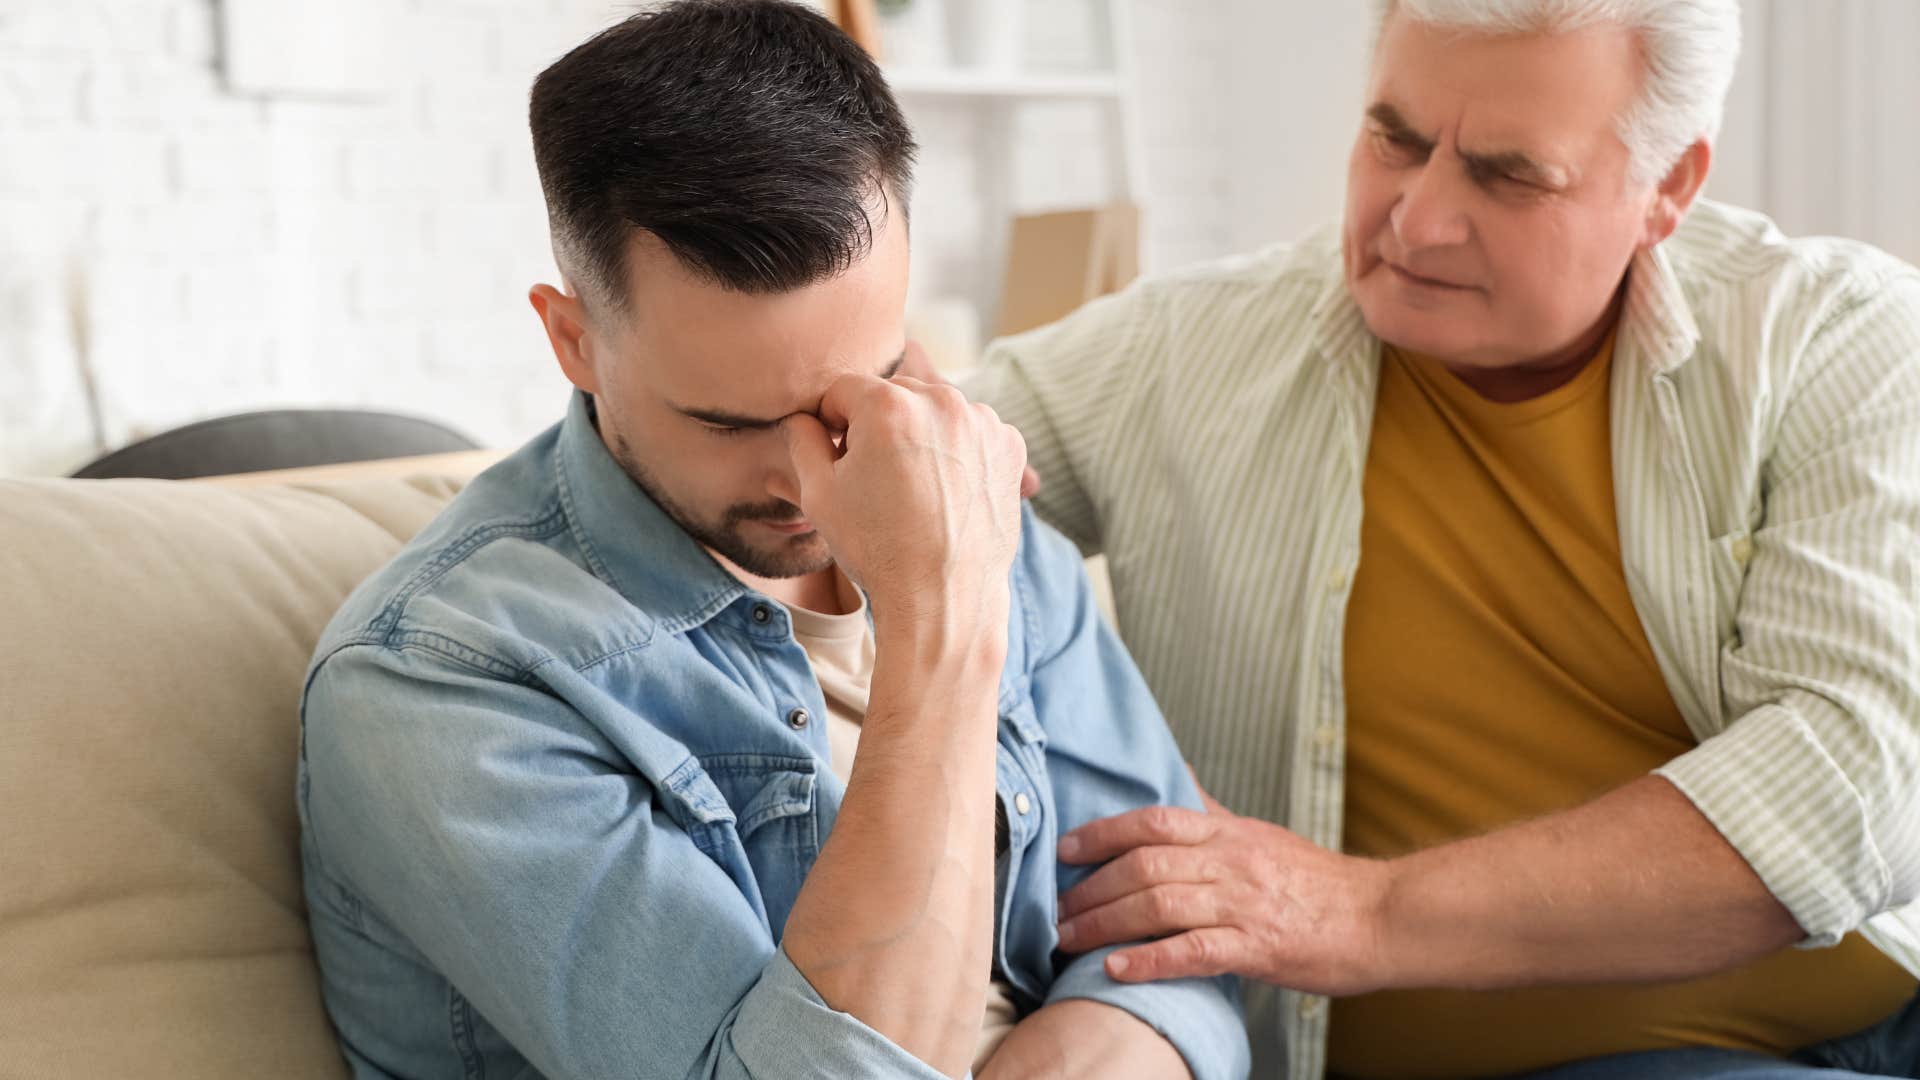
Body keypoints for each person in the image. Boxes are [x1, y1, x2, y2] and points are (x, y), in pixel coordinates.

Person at [960, 1, 1920, 1077]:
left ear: (1669, 191)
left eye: (1509, 175)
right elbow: (908, 469)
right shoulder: (1183, 352)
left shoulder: (1840, 338)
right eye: (1395, 140)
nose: (1416, 222)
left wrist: (1356, 913)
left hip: (1865, 1024)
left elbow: (1856, 781)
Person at [294, 3, 1248, 1078]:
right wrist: (941, 615)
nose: (813, 479)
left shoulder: (973, 508)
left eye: (867, 383)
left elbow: (1182, 941)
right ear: (575, 340)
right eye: (730, 423)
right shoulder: (437, 685)